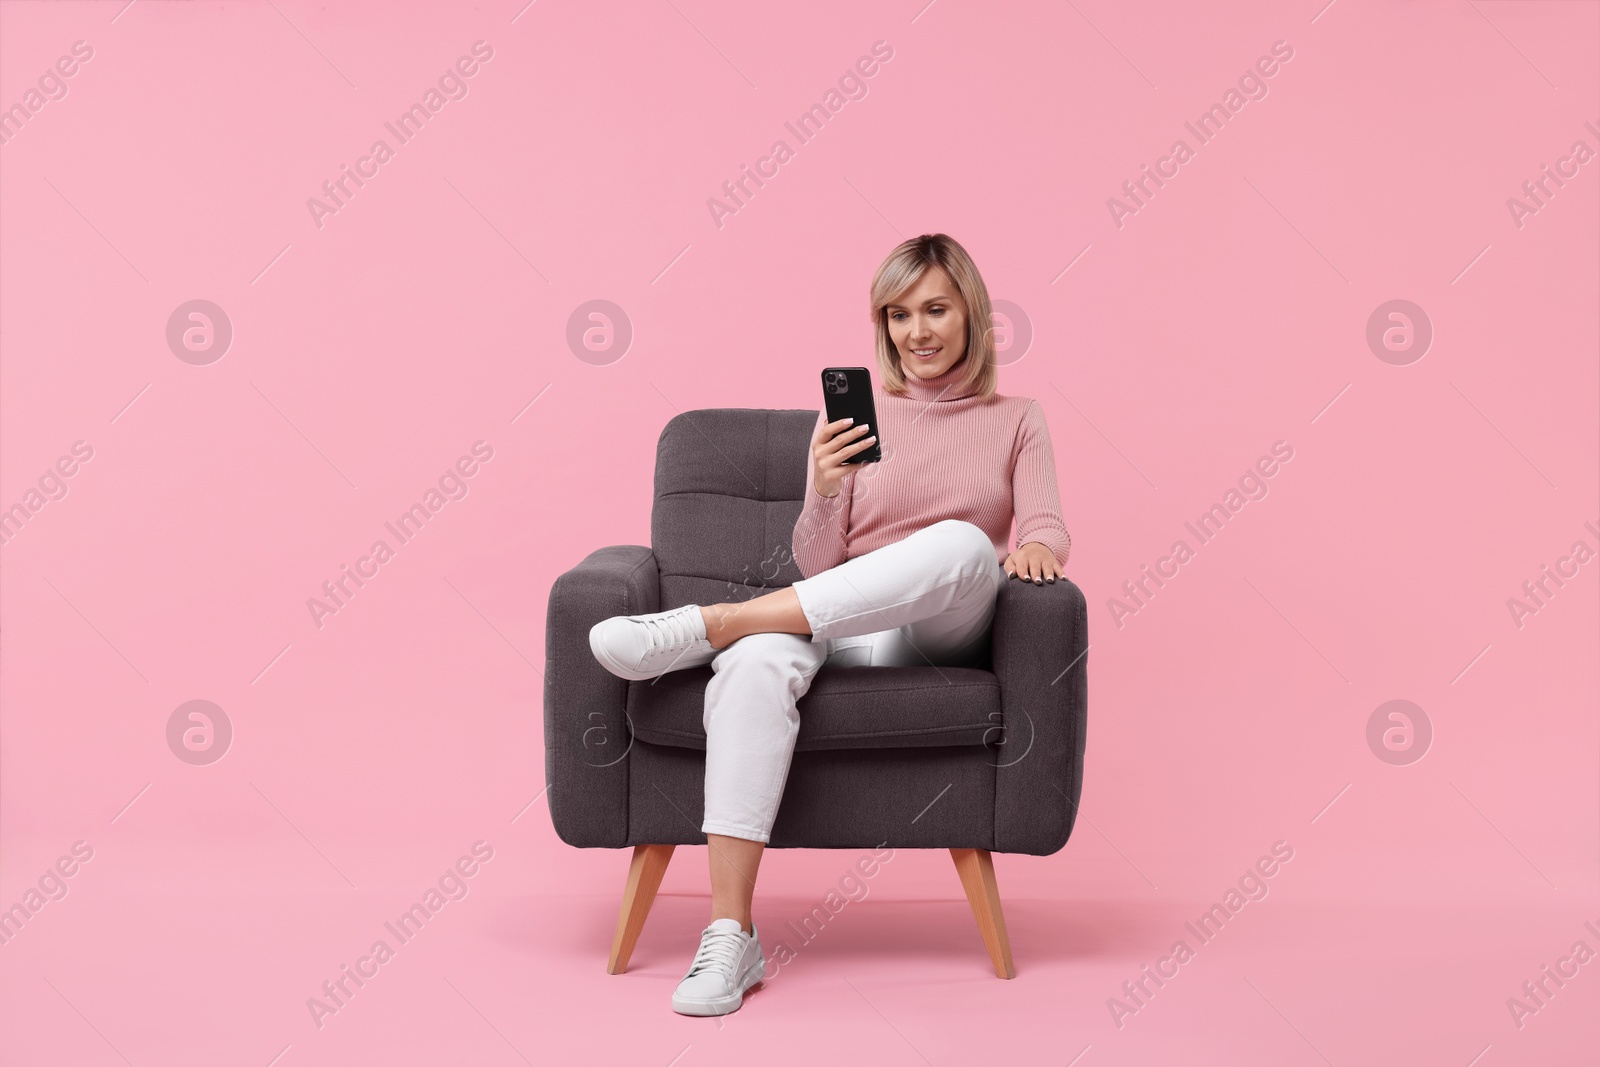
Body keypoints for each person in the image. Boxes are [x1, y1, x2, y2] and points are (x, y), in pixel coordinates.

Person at [588, 233, 1072, 1016]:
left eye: (935, 309)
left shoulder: (1017, 418)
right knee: (754, 664)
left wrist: (1039, 551)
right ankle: (729, 935)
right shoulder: (857, 417)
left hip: (942, 624)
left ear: (973, 314)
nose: (917, 330)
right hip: (844, 612)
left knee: (957, 543)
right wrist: (821, 487)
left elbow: (1045, 526)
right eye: (898, 314)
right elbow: (819, 567)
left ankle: (712, 623)